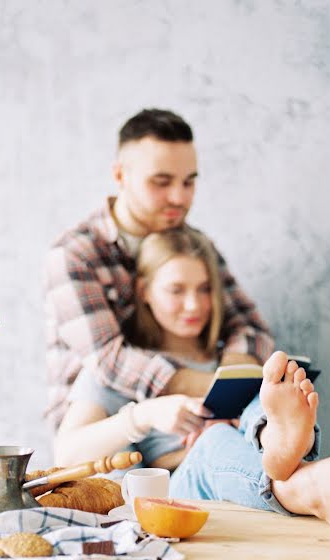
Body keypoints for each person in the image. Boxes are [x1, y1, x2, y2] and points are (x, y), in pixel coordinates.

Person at [55, 228, 330, 528]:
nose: (194, 305)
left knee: (261, 387)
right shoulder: (121, 368)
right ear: (144, 290)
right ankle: (305, 480)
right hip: (178, 492)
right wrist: (144, 416)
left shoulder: (232, 358)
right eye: (176, 290)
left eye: (205, 289)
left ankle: (273, 439)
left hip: (241, 480)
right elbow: (66, 453)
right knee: (214, 440)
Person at [44, 108, 273, 432]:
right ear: (121, 175)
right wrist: (218, 388)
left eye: (188, 182)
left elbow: (251, 329)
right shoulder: (75, 253)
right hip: (100, 432)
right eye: (161, 182)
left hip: (192, 422)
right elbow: (109, 360)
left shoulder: (192, 243)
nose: (179, 197)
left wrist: (234, 377)